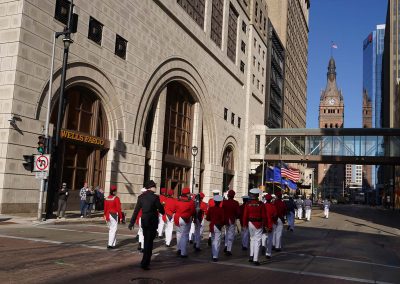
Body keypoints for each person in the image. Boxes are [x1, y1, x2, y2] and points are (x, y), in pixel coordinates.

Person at [129, 180, 164, 270]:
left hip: (144, 220)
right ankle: (145, 262)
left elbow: (136, 210)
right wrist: (162, 209)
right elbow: (160, 209)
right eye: (155, 186)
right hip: (152, 221)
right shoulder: (155, 197)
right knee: (149, 242)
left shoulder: (141, 197)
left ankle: (145, 261)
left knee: (146, 240)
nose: (155, 188)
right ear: (151, 187)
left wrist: (131, 222)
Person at [243, 188, 267, 266]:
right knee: (257, 241)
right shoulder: (261, 204)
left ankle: (251, 255)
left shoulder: (247, 204)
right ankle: (255, 259)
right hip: (258, 223)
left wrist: (244, 224)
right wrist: (265, 225)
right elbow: (264, 216)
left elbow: (245, 215)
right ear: (257, 196)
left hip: (250, 223)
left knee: (252, 239)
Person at [174, 187, 196, 258]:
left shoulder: (177, 200)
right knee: (185, 235)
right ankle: (183, 252)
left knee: (179, 234)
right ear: (187, 194)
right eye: (189, 193)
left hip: (177, 218)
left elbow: (174, 209)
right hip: (185, 218)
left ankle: (179, 249)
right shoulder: (191, 202)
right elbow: (193, 211)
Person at [206, 195, 224, 262]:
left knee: (213, 240)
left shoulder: (211, 208)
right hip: (218, 225)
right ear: (220, 202)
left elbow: (207, 218)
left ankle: (213, 253)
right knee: (217, 241)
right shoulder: (221, 209)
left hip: (212, 225)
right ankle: (215, 255)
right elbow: (223, 219)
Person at [104, 185, 122, 249]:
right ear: (114, 191)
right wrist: (121, 216)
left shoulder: (106, 198)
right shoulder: (116, 198)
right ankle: (110, 244)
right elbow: (118, 208)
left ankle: (112, 243)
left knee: (111, 230)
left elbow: (105, 208)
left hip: (107, 215)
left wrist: (104, 215)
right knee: (113, 230)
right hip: (114, 215)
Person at [222, 189, 240, 256]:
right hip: (232, 219)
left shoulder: (224, 202)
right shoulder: (236, 203)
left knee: (227, 233)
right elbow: (238, 213)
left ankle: (226, 245)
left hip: (226, 220)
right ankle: (228, 249)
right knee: (231, 235)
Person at [264, 193, 277, 259]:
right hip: (270, 223)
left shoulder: (263, 206)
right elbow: (275, 216)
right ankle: (268, 253)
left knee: (263, 237)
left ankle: (263, 245)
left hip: (263, 223)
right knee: (270, 239)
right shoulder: (273, 206)